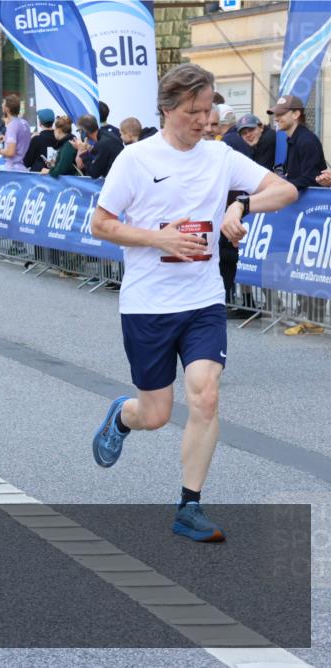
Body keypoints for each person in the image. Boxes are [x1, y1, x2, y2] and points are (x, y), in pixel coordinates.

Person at [90, 63, 298, 542]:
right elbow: (101, 224)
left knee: (205, 393)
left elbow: (283, 190)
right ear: (167, 110)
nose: (205, 121)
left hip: (203, 300)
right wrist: (157, 238)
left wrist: (240, 204)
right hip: (148, 304)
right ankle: (124, 414)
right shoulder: (136, 159)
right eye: (193, 112)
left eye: (209, 111)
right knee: (157, 414)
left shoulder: (220, 156)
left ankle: (189, 506)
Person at [268, 94, 328, 335]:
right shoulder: (292, 139)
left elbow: (311, 177)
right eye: (276, 114)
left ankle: (313, 319)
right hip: (302, 210)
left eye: (282, 114)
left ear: (296, 114)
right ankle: (308, 316)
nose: (277, 118)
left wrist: (285, 187)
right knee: (302, 262)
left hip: (313, 212)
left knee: (311, 262)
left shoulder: (306, 140)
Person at [73, 114, 124, 179]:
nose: (79, 134)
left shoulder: (103, 144)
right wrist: (90, 149)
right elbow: (103, 154)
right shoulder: (107, 135)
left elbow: (93, 173)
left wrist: (83, 152)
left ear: (83, 131)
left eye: (79, 131)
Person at [0, 95, 31, 171]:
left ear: (7, 109)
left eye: (3, 104)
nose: (2, 106)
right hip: (21, 168)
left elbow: (10, 152)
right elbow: (21, 140)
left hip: (12, 170)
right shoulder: (25, 123)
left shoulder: (12, 125)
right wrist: (6, 138)